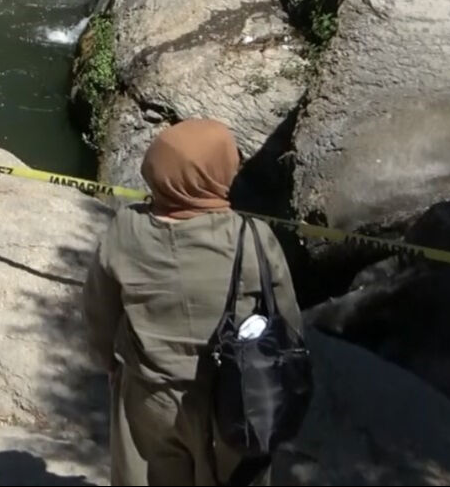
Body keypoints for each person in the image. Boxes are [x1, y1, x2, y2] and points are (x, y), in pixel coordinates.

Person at [82, 119, 303, 487]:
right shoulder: (252, 238)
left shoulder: (126, 230)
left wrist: (107, 360)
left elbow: (99, 310)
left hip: (151, 394)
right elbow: (289, 321)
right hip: (235, 397)